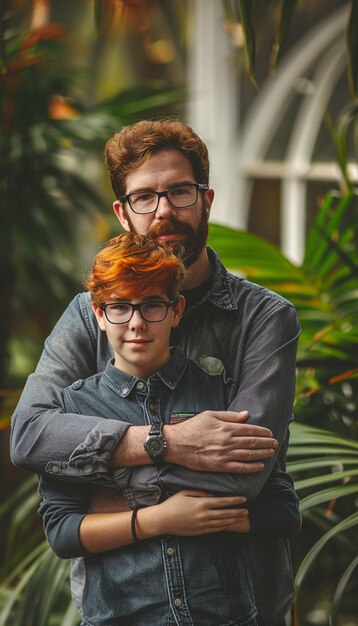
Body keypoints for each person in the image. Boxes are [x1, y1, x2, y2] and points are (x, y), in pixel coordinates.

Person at [11, 118, 301, 625]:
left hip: (240, 604)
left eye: (179, 192)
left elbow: (244, 471)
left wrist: (109, 502)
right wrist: (165, 443)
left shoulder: (264, 318)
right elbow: (31, 435)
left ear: (206, 200)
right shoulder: (87, 313)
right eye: (145, 197)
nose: (164, 210)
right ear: (124, 214)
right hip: (122, 608)